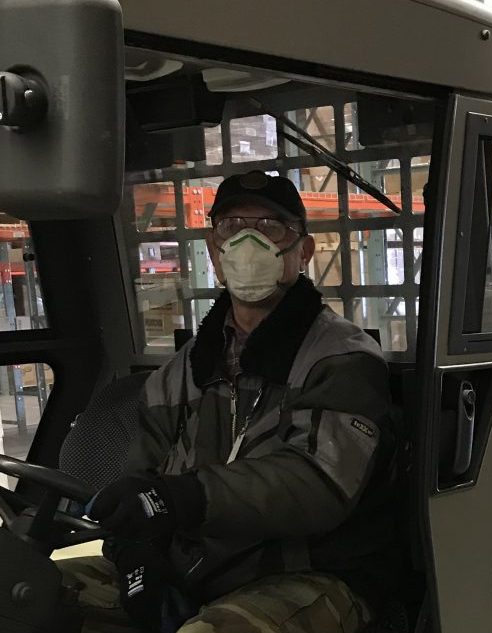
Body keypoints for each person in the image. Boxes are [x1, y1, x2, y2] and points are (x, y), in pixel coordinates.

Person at [59, 170, 400, 633]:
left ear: (302, 252)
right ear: (214, 254)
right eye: (231, 228)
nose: (247, 243)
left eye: (269, 228)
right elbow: (138, 481)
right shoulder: (179, 375)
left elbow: (317, 485)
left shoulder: (341, 359)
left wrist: (181, 499)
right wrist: (138, 560)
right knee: (21, 590)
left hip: (312, 571)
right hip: (199, 567)